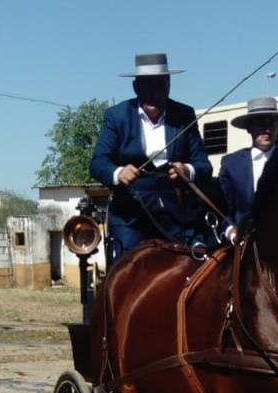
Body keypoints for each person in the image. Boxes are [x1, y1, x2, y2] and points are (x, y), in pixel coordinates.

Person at [90, 53, 213, 263]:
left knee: (199, 265)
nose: (154, 93)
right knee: (126, 270)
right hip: (131, 214)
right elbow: (98, 163)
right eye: (147, 86)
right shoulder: (117, 116)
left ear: (169, 85)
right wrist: (119, 173)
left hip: (177, 216)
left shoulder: (184, 116)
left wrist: (188, 170)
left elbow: (204, 165)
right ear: (136, 87)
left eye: (160, 86)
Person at [217, 97, 278, 233]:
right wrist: (231, 231)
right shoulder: (231, 164)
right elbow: (222, 209)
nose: (267, 130)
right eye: (260, 124)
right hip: (244, 245)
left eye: (272, 123)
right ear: (249, 128)